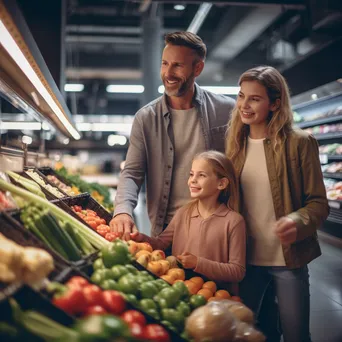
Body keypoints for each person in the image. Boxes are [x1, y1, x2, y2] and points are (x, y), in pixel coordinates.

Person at [225, 65, 329, 342]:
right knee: (248, 334)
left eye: (254, 98)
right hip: (244, 261)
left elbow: (318, 203)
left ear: (275, 103)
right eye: (241, 96)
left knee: (296, 335)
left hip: (288, 260)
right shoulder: (234, 144)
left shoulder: (300, 143)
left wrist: (297, 221)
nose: (244, 105)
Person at [110, 31, 235, 240]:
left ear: (198, 68)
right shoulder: (146, 118)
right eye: (165, 63)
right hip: (166, 229)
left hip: (215, 227)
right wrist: (122, 210)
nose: (168, 73)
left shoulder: (226, 111)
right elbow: (132, 172)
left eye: (177, 65)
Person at [130, 150, 246, 290]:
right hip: (180, 292)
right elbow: (160, 243)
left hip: (216, 299)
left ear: (221, 183)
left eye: (201, 175)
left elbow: (237, 272)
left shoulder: (234, 221)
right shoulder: (183, 213)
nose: (193, 180)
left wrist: (198, 263)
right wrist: (141, 238)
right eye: (191, 174)